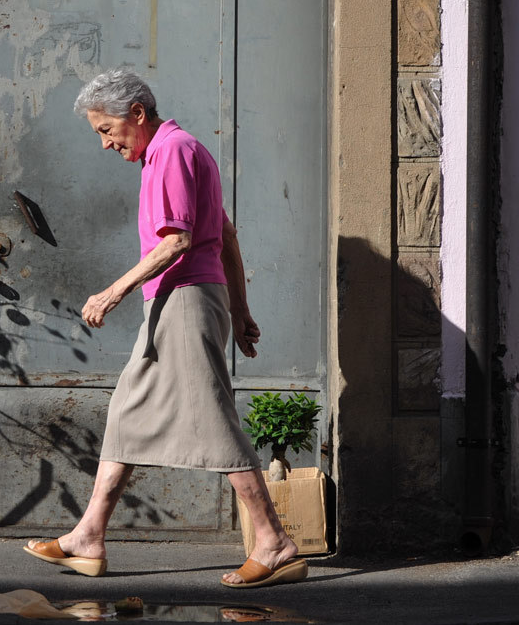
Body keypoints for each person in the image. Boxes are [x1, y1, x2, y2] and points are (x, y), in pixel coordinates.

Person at [22, 68, 307, 589]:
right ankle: (89, 535)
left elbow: (177, 242)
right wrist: (240, 310)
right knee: (129, 412)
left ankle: (273, 543)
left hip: (184, 301)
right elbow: (225, 232)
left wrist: (113, 291)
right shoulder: (175, 151)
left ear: (136, 113)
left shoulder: (173, 151)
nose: (105, 143)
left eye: (106, 130)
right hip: (180, 300)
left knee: (213, 418)